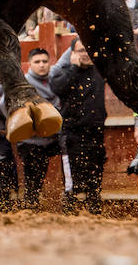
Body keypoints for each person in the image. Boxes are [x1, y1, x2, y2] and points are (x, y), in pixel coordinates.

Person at [51, 38, 106, 214]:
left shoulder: (99, 70)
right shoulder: (65, 71)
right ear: (73, 54)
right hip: (72, 134)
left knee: (95, 180)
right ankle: (68, 215)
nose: (86, 54)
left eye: (89, 50)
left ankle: (95, 215)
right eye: (81, 50)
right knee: (71, 183)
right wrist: (74, 67)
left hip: (96, 133)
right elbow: (58, 88)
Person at [15, 47, 61, 209]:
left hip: (54, 136)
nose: (41, 65)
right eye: (37, 62)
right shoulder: (24, 83)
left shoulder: (55, 78)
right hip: (31, 140)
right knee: (33, 179)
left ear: (50, 63)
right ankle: (30, 207)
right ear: (29, 64)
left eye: (44, 61)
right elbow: (4, 104)